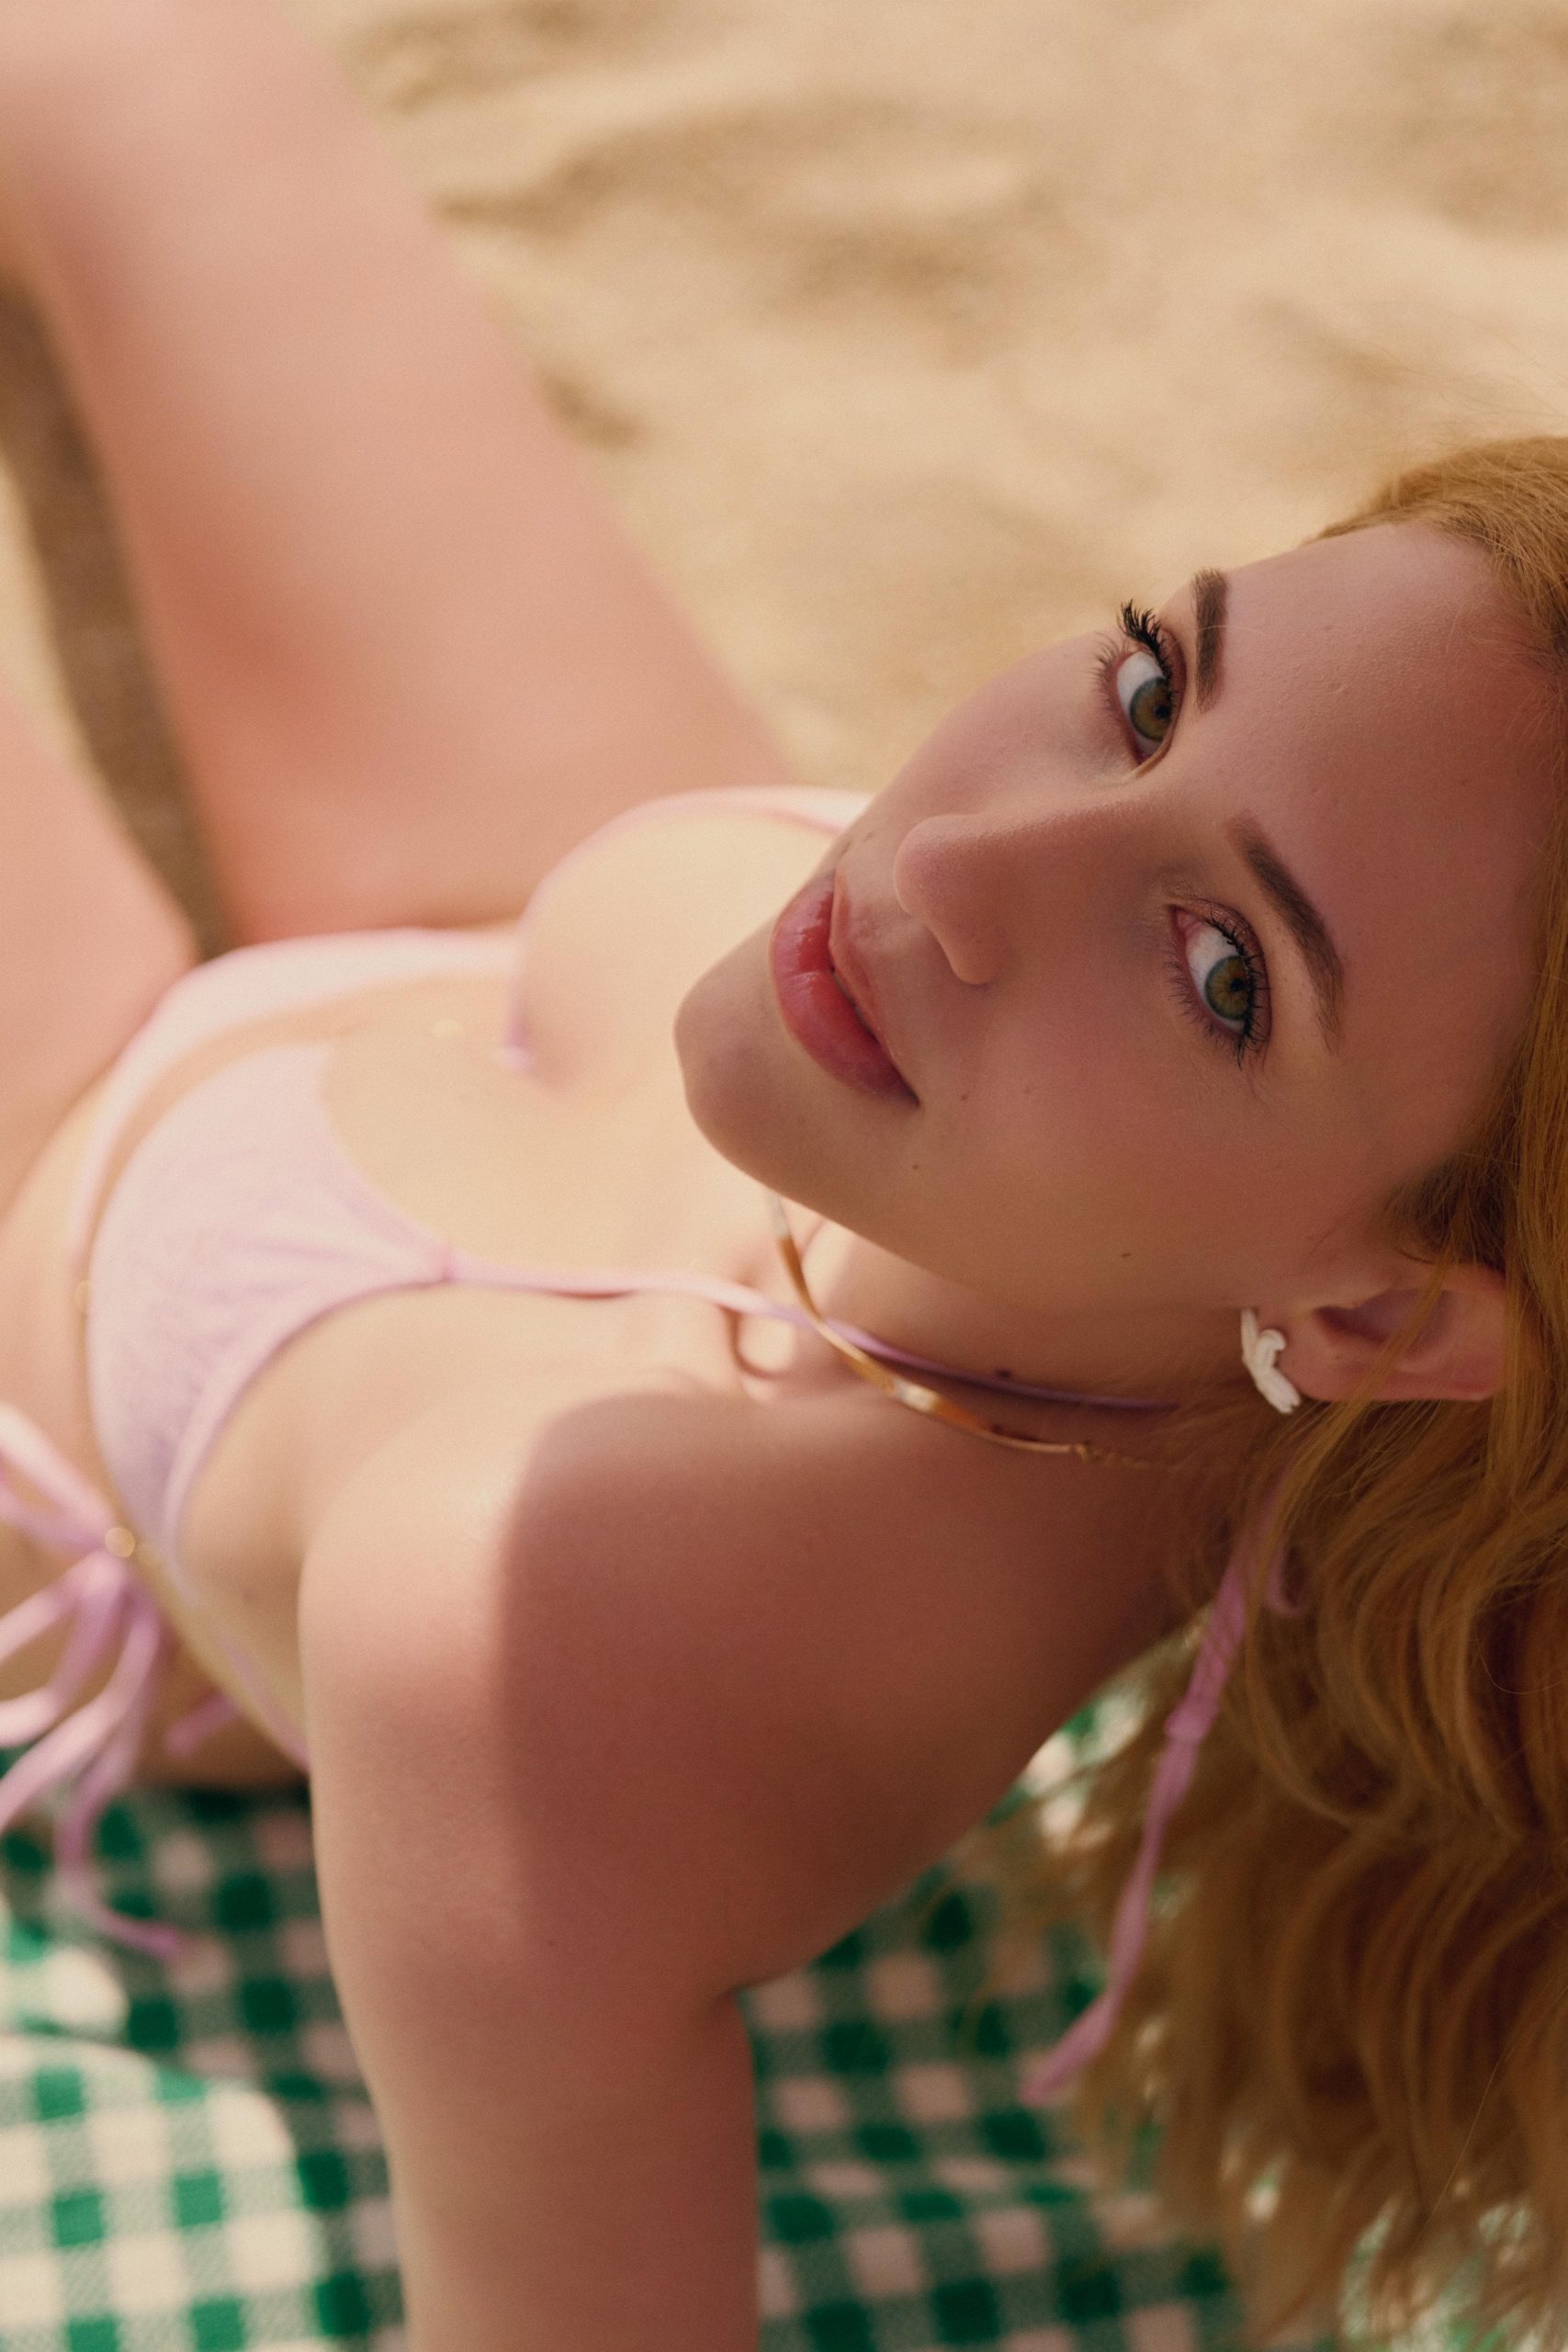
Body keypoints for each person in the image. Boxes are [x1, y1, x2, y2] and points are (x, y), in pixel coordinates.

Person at [0, 2, 1562, 2346]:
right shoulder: (1165, 1211)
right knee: (146, 61)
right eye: (1155, 681)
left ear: (1379, 1315)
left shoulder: (533, 1649)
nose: (952, 857)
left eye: (1221, 970)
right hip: (522, 933)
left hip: (63, 1272)